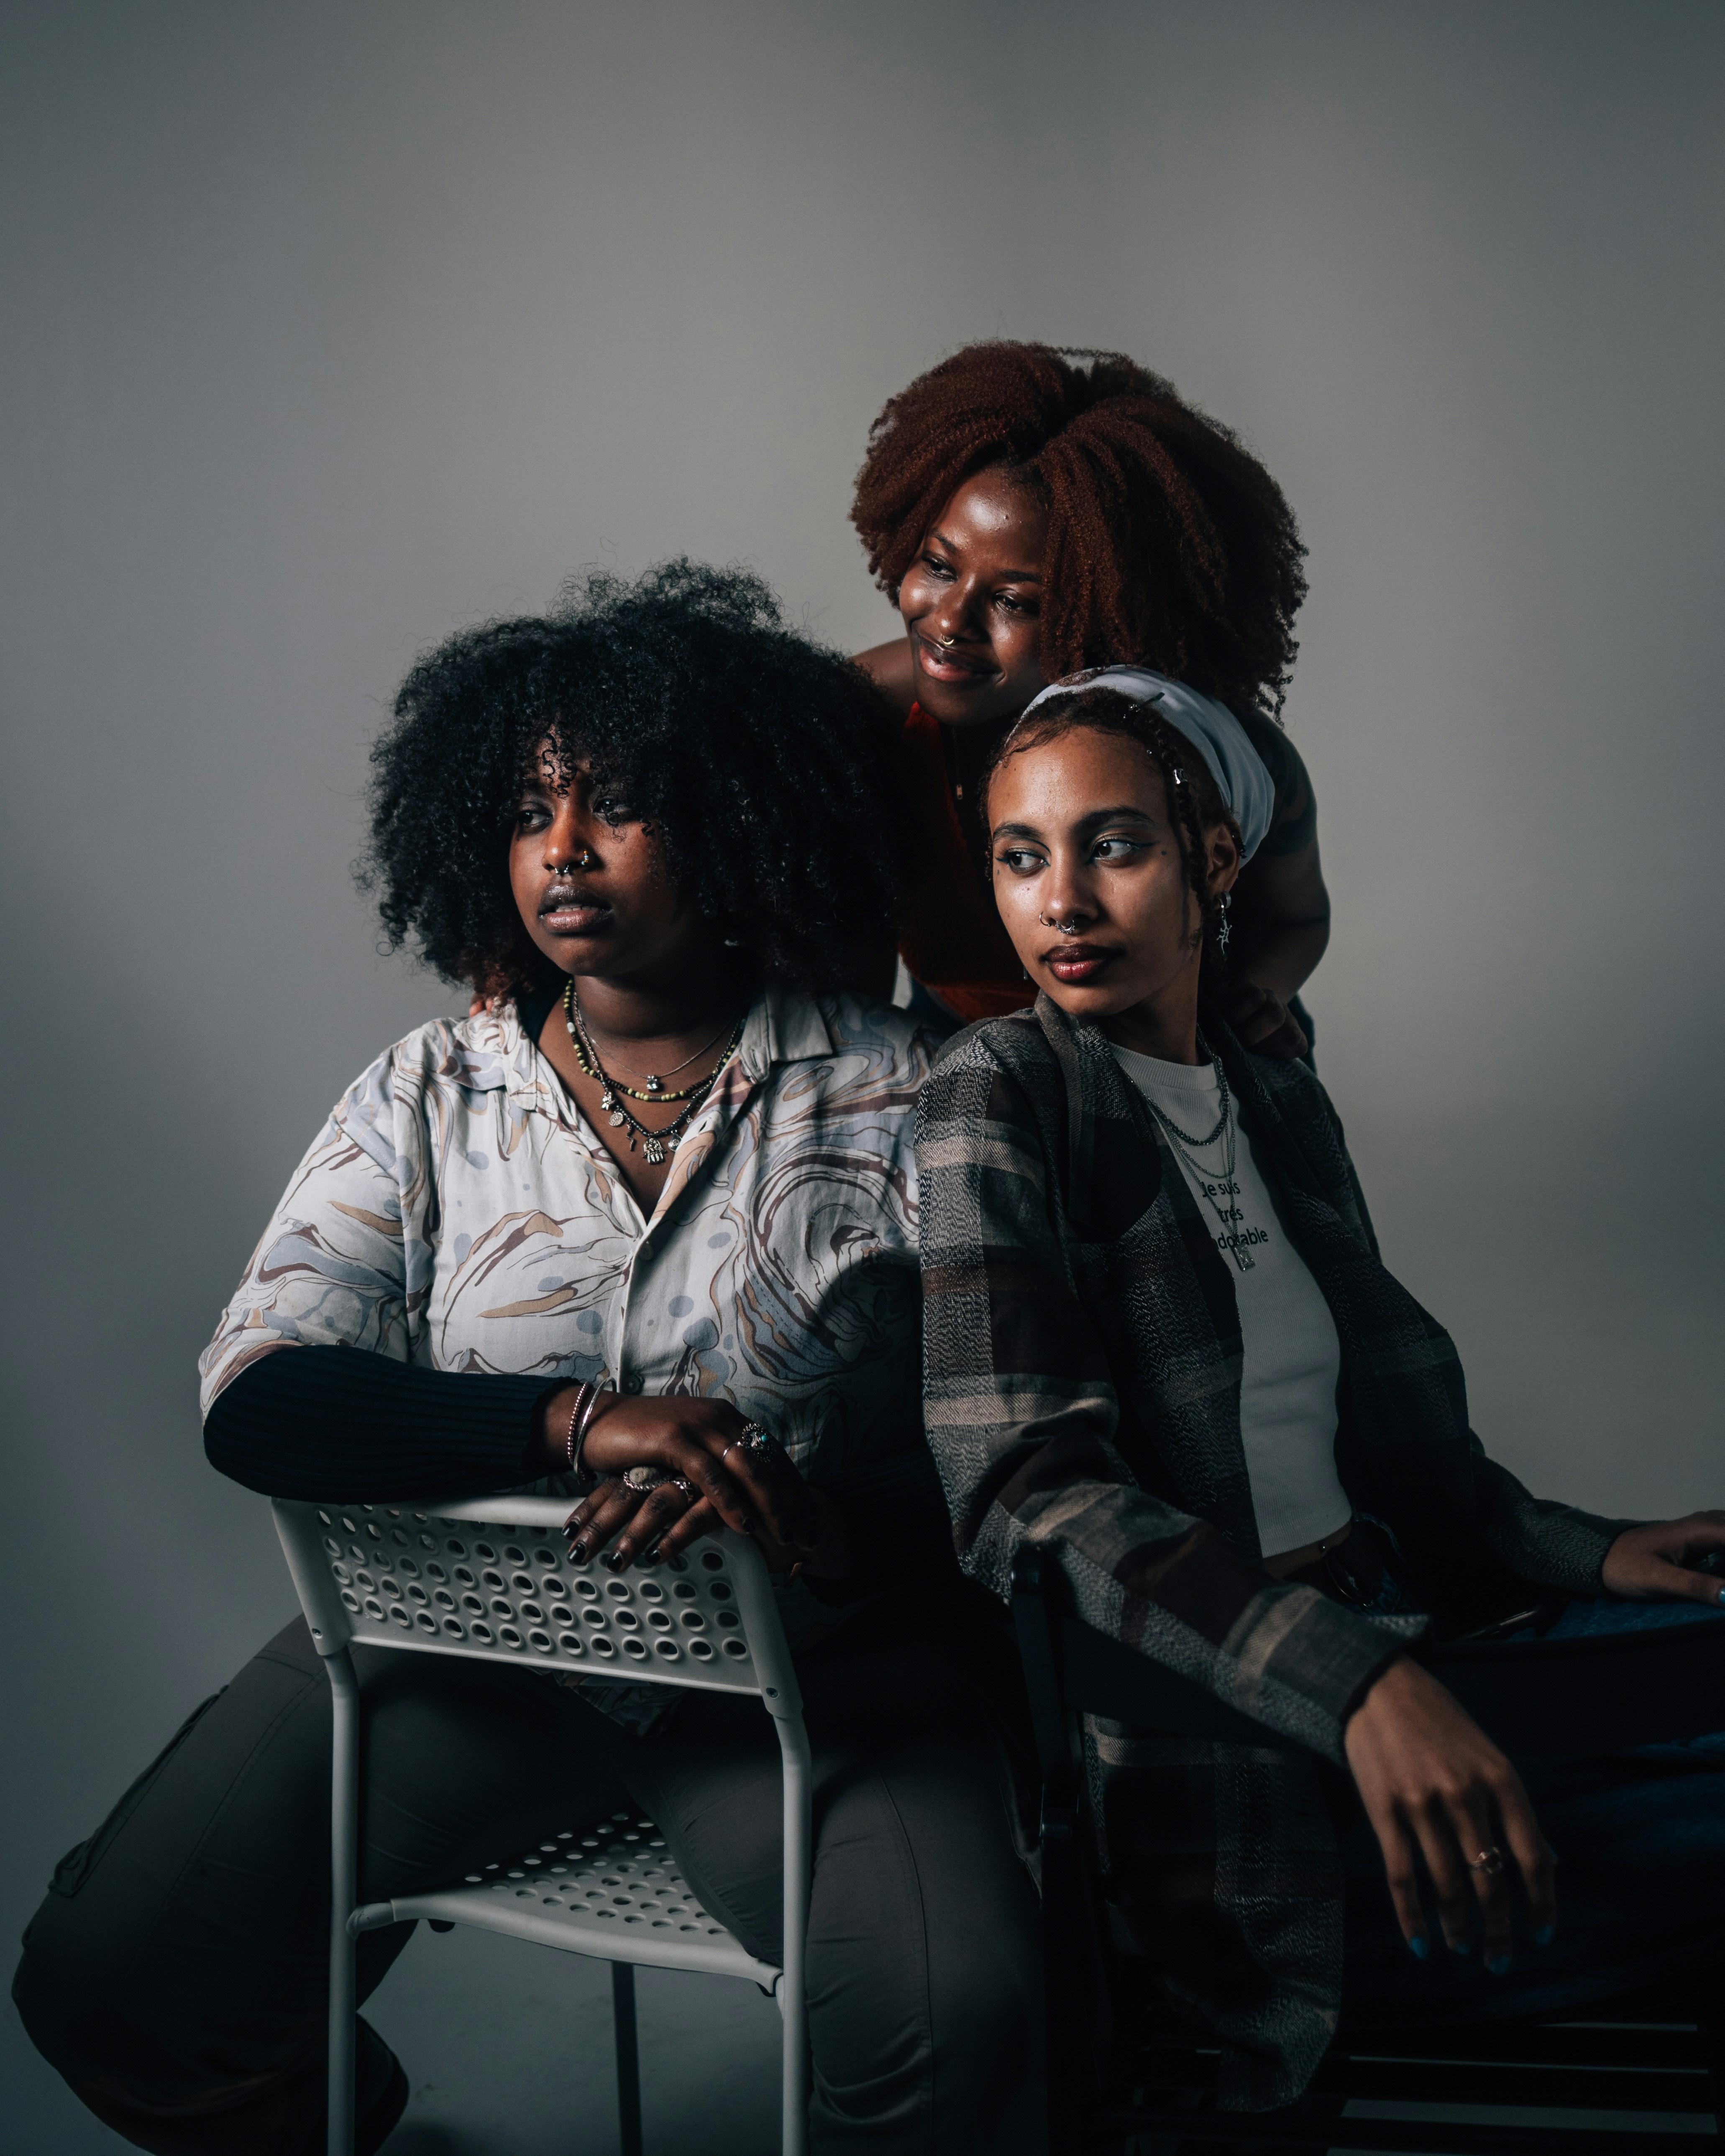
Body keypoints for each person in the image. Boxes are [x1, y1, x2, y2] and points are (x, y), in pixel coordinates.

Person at [13, 563, 1042, 2156]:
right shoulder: (428, 1092)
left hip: (810, 1684)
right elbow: (261, 1393)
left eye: (618, 803)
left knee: (954, 2024)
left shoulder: (907, 1093)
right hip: (472, 1672)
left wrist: (815, 1515)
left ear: (740, 815)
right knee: (108, 1985)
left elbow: (1010, 1458)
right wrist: (578, 1423)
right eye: (526, 808)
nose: (561, 849)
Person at [914, 676, 1725, 2115]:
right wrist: (1349, 1680)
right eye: (1018, 854)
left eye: (1114, 844)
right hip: (1229, 1760)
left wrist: (1590, 1548)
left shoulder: (1269, 1087)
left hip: (1414, 1623)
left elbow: (1387, 1449)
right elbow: (1023, 1500)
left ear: (1213, 860)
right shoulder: (1000, 1092)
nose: (1062, 901)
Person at [851, 339, 1326, 1059]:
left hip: (1193, 1065)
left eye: (1015, 601)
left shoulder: (1222, 760)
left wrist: (1255, 1000)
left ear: (1108, 616)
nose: (948, 622)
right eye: (939, 566)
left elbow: (1298, 920)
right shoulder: (857, 720)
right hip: (964, 1075)